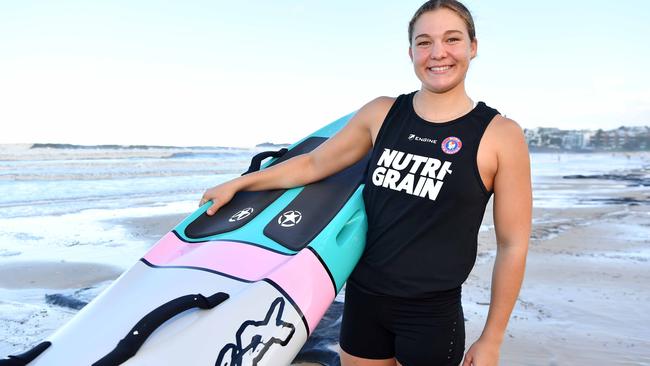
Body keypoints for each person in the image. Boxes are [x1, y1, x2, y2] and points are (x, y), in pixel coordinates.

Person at [200, 1, 532, 365]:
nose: (438, 53)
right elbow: (314, 164)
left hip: (431, 315)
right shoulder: (382, 113)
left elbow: (512, 244)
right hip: (363, 301)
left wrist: (492, 338)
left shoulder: (500, 135)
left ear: (473, 46)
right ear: (410, 52)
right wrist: (241, 184)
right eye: (424, 42)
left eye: (452, 39)